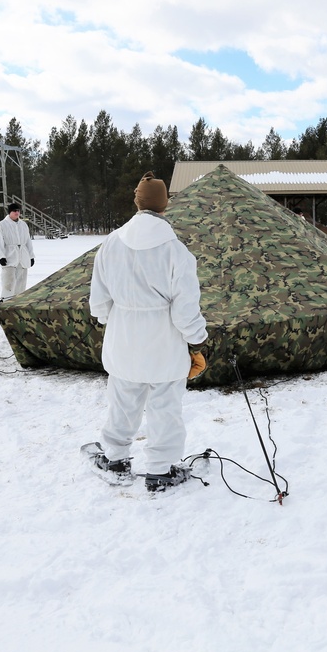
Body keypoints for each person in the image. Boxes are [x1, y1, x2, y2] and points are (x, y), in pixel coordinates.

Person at [85, 171, 208, 492]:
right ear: (165, 205)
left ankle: (114, 458)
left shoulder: (111, 243)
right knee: (165, 407)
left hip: (123, 338)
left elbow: (98, 301)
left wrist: (111, 320)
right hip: (164, 343)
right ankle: (161, 469)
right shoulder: (176, 250)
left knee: (122, 401)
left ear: (137, 203)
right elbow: (185, 308)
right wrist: (197, 340)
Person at [0, 203, 34, 299]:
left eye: (18, 211)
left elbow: (28, 241)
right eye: (14, 211)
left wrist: (31, 256)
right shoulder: (2, 225)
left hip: (22, 256)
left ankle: (18, 304)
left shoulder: (23, 224)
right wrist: (1, 256)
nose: (17, 212)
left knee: (21, 284)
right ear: (10, 212)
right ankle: (5, 303)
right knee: (9, 283)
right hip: (10, 257)